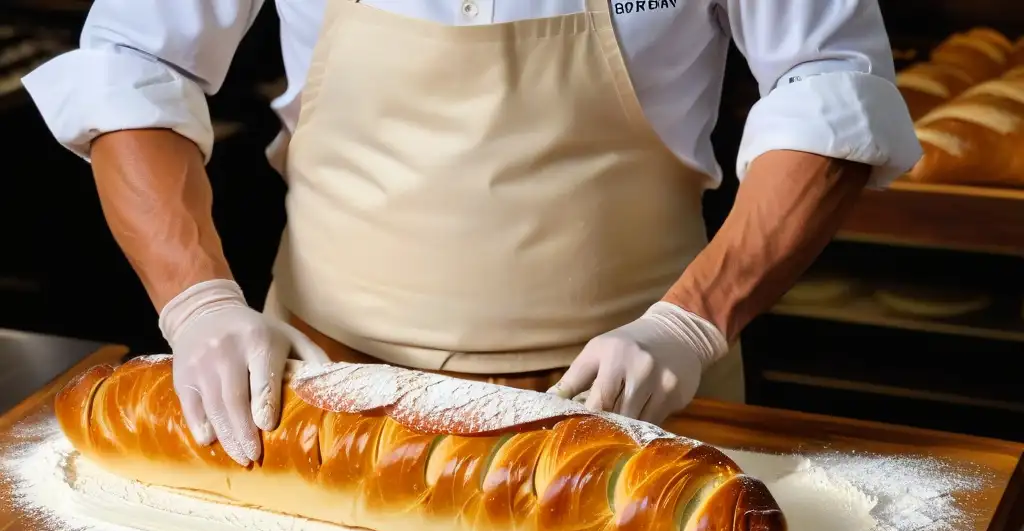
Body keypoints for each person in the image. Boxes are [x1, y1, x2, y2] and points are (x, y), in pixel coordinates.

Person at [24, 0, 920, 467]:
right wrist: (200, 303)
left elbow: (828, 88)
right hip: (313, 400)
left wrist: (691, 322)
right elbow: (138, 62)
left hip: (643, 408)